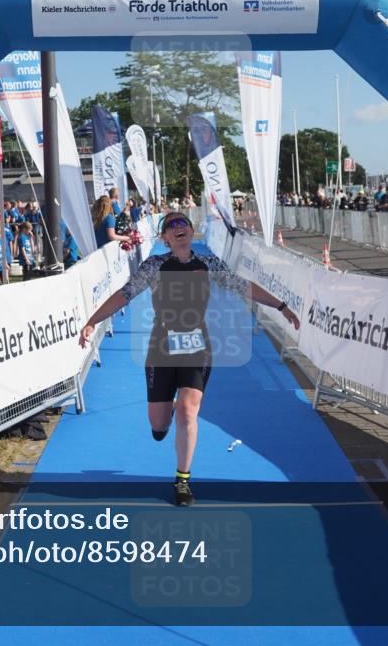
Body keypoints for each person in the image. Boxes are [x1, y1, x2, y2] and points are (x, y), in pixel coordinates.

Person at [78, 212, 299, 506]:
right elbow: (124, 294)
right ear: (165, 238)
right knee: (159, 426)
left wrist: (281, 305)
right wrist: (93, 321)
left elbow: (242, 285)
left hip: (197, 346)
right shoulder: (155, 266)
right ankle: (166, 413)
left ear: (192, 231)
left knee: (187, 411)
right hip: (161, 346)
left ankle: (182, 480)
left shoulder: (207, 264)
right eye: (172, 226)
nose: (179, 228)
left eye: (184, 224)